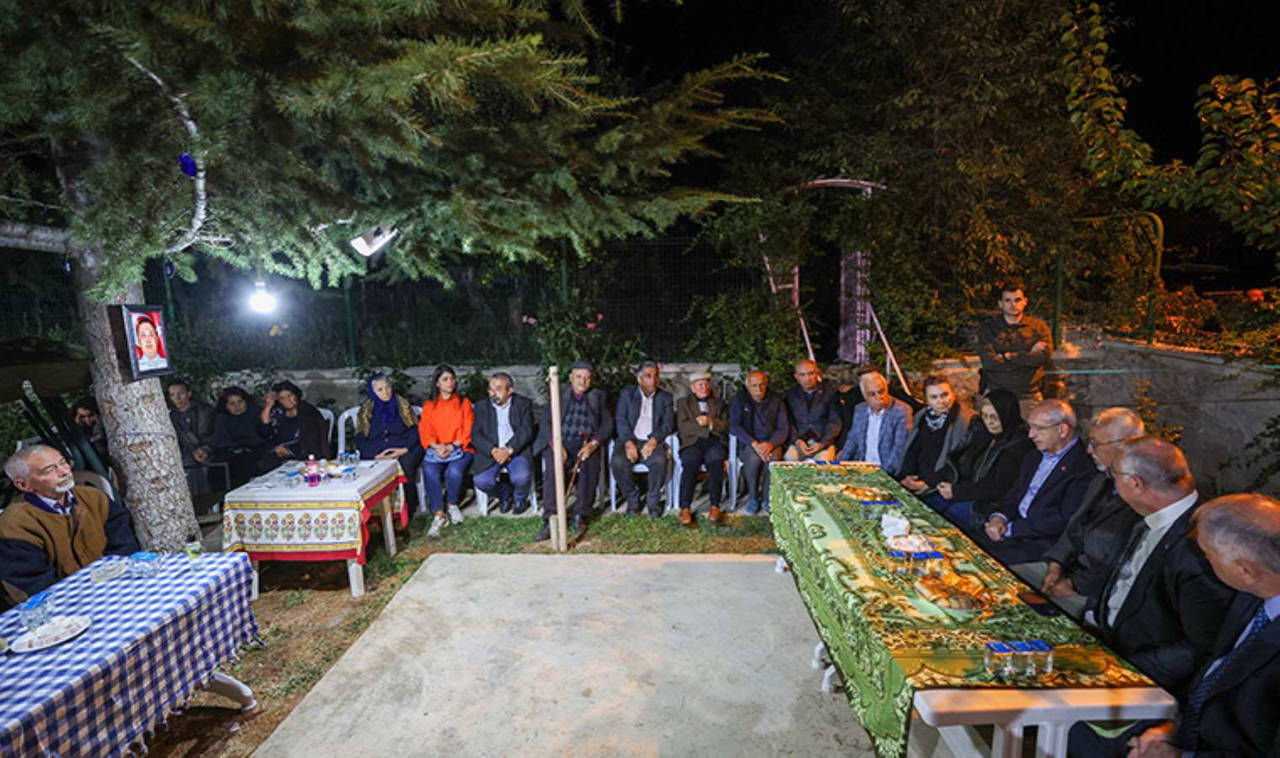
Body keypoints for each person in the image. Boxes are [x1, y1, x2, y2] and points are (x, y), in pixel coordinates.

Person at [1067, 494, 1278, 758]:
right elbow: (1212, 673)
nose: (1205, 562)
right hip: (1181, 723)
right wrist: (1171, 728)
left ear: (1245, 570)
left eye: (1208, 555)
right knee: (1069, 727)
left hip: (1214, 749)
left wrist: (1178, 755)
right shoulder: (1252, 595)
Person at [1083, 436, 1236, 697]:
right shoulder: (1145, 511)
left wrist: (1119, 672)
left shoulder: (1202, 545)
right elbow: (1117, 578)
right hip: (1098, 640)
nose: (1111, 481)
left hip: (1136, 676)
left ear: (1135, 483)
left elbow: (1202, 646)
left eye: (1113, 474)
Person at [1024, 408, 1146, 619]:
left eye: (1096, 444)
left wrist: (1073, 584)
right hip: (1067, 570)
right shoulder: (1100, 481)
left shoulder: (1139, 492)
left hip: (1094, 591)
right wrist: (1055, 564)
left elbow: (1118, 561)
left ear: (1125, 444)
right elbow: (1073, 527)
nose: (1089, 451)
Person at [0, 444, 139, 601]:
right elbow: (34, 584)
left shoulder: (94, 497)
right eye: (49, 470)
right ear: (23, 485)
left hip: (115, 585)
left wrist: (112, 579)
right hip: (65, 603)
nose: (64, 472)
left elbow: (124, 545)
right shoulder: (15, 524)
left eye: (63, 462)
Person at [980, 399, 1094, 567]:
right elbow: (1014, 495)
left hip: (1040, 544)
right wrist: (999, 518)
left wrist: (1011, 529)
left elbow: (1063, 519)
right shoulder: (1033, 456)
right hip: (1010, 529)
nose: (1031, 435)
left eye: (1038, 429)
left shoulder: (1083, 467)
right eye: (1030, 427)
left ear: (1062, 430)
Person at [928, 389, 1035, 531]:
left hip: (983, 505)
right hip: (960, 489)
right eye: (985, 416)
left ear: (1007, 415)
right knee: (925, 504)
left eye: (995, 417)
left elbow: (1000, 488)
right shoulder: (981, 430)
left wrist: (958, 491)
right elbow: (957, 461)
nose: (990, 422)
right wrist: (931, 482)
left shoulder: (1019, 444)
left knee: (942, 522)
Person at [534, 360, 612, 541]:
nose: (583, 381)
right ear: (571, 377)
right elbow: (545, 422)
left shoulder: (598, 396)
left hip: (585, 443)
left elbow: (608, 423)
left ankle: (580, 514)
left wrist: (593, 444)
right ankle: (551, 517)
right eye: (579, 377)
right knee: (554, 468)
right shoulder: (558, 393)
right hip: (560, 442)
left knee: (589, 465)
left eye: (587, 378)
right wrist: (556, 445)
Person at [610, 361, 675, 518]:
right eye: (648, 376)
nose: (653, 380)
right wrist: (628, 442)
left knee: (659, 461)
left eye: (656, 376)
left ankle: (653, 502)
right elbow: (620, 419)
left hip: (652, 440)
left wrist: (653, 441)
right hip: (630, 439)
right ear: (639, 379)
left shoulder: (665, 397)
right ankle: (633, 501)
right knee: (618, 462)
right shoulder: (627, 394)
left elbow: (668, 424)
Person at [975, 277, 1053, 405]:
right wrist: (1029, 354)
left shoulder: (1038, 327)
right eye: (1008, 300)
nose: (1013, 305)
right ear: (1000, 303)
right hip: (997, 395)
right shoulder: (988, 329)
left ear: (1025, 301)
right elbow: (990, 363)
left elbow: (1044, 357)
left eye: (1017, 300)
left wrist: (1008, 356)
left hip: (1029, 395)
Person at [354, 373, 424, 514]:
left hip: (405, 447)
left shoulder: (402, 405)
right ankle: (376, 511)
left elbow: (415, 430)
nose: (386, 392)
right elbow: (360, 438)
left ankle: (408, 509)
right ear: (373, 392)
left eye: (387, 387)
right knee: (369, 469)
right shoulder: (366, 410)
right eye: (380, 390)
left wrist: (404, 449)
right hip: (378, 451)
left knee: (405, 465)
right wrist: (375, 455)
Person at [417, 364, 474, 538]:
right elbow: (425, 431)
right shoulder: (429, 406)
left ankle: (452, 504)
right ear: (437, 383)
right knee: (429, 471)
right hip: (437, 449)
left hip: (460, 448)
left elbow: (468, 430)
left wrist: (452, 446)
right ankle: (439, 514)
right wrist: (437, 447)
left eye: (452, 379)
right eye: (445, 379)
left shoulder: (463, 403)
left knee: (454, 471)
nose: (450, 382)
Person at [471, 372, 536, 515]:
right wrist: (493, 450)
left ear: (510, 390)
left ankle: (520, 499)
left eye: (498, 389)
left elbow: (526, 431)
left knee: (522, 478)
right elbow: (476, 435)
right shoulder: (481, 407)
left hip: (516, 450)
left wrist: (509, 449)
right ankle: (504, 495)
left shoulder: (523, 404)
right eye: (491, 389)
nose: (493, 393)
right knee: (481, 481)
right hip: (492, 453)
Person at [898, 376, 973, 497]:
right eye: (934, 397)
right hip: (916, 479)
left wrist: (929, 484)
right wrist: (907, 475)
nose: (941, 401)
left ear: (953, 394)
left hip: (941, 486)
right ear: (926, 400)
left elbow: (958, 462)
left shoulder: (964, 420)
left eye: (945, 395)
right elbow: (912, 449)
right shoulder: (922, 416)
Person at [729, 370, 789, 515]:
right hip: (749, 443)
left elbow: (783, 428)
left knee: (773, 459)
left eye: (761, 385)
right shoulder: (740, 400)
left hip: (771, 442)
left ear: (766, 384)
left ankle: (768, 498)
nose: (758, 389)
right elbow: (735, 426)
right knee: (753, 459)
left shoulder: (776, 400)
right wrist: (754, 443)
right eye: (754, 385)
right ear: (747, 386)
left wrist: (770, 444)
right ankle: (753, 496)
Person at [675, 369, 729, 525]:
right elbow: (682, 426)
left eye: (706, 384)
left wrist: (711, 422)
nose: (704, 388)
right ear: (692, 388)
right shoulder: (683, 403)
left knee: (716, 460)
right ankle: (685, 507)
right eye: (699, 385)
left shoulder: (720, 403)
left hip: (714, 441)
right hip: (692, 442)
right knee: (690, 462)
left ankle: (715, 505)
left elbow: (726, 426)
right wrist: (698, 424)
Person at [837, 367, 913, 476]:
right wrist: (838, 465)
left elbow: (899, 452)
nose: (879, 397)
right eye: (872, 394)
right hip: (861, 466)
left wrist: (881, 475)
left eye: (881, 391)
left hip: (885, 471)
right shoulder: (860, 410)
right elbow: (852, 441)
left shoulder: (901, 412)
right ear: (865, 396)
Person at [258, 380, 330, 473]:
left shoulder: (307, 412)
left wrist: (289, 450)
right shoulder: (279, 412)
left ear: (295, 395)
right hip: (279, 452)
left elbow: (311, 440)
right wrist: (268, 406)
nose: (288, 400)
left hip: (303, 453)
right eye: (282, 398)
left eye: (290, 395)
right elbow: (266, 432)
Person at [783, 359, 841, 461]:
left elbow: (835, 422)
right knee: (790, 457)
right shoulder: (791, 394)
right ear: (796, 376)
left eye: (811, 373)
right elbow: (788, 421)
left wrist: (823, 443)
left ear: (817, 373)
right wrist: (796, 440)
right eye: (802, 375)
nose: (807, 378)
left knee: (823, 462)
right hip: (799, 442)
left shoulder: (830, 393)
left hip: (822, 442)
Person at [167, 379, 218, 495]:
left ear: (189, 394)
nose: (177, 398)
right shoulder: (169, 416)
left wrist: (205, 449)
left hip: (211, 450)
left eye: (181, 393)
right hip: (185, 454)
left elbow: (217, 433)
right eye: (173, 395)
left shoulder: (206, 411)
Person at [211, 386, 268, 489]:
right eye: (232, 403)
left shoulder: (255, 412)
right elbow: (220, 441)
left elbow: (263, 436)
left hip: (256, 450)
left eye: (240, 402)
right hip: (231, 452)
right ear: (226, 406)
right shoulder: (222, 418)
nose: (237, 406)